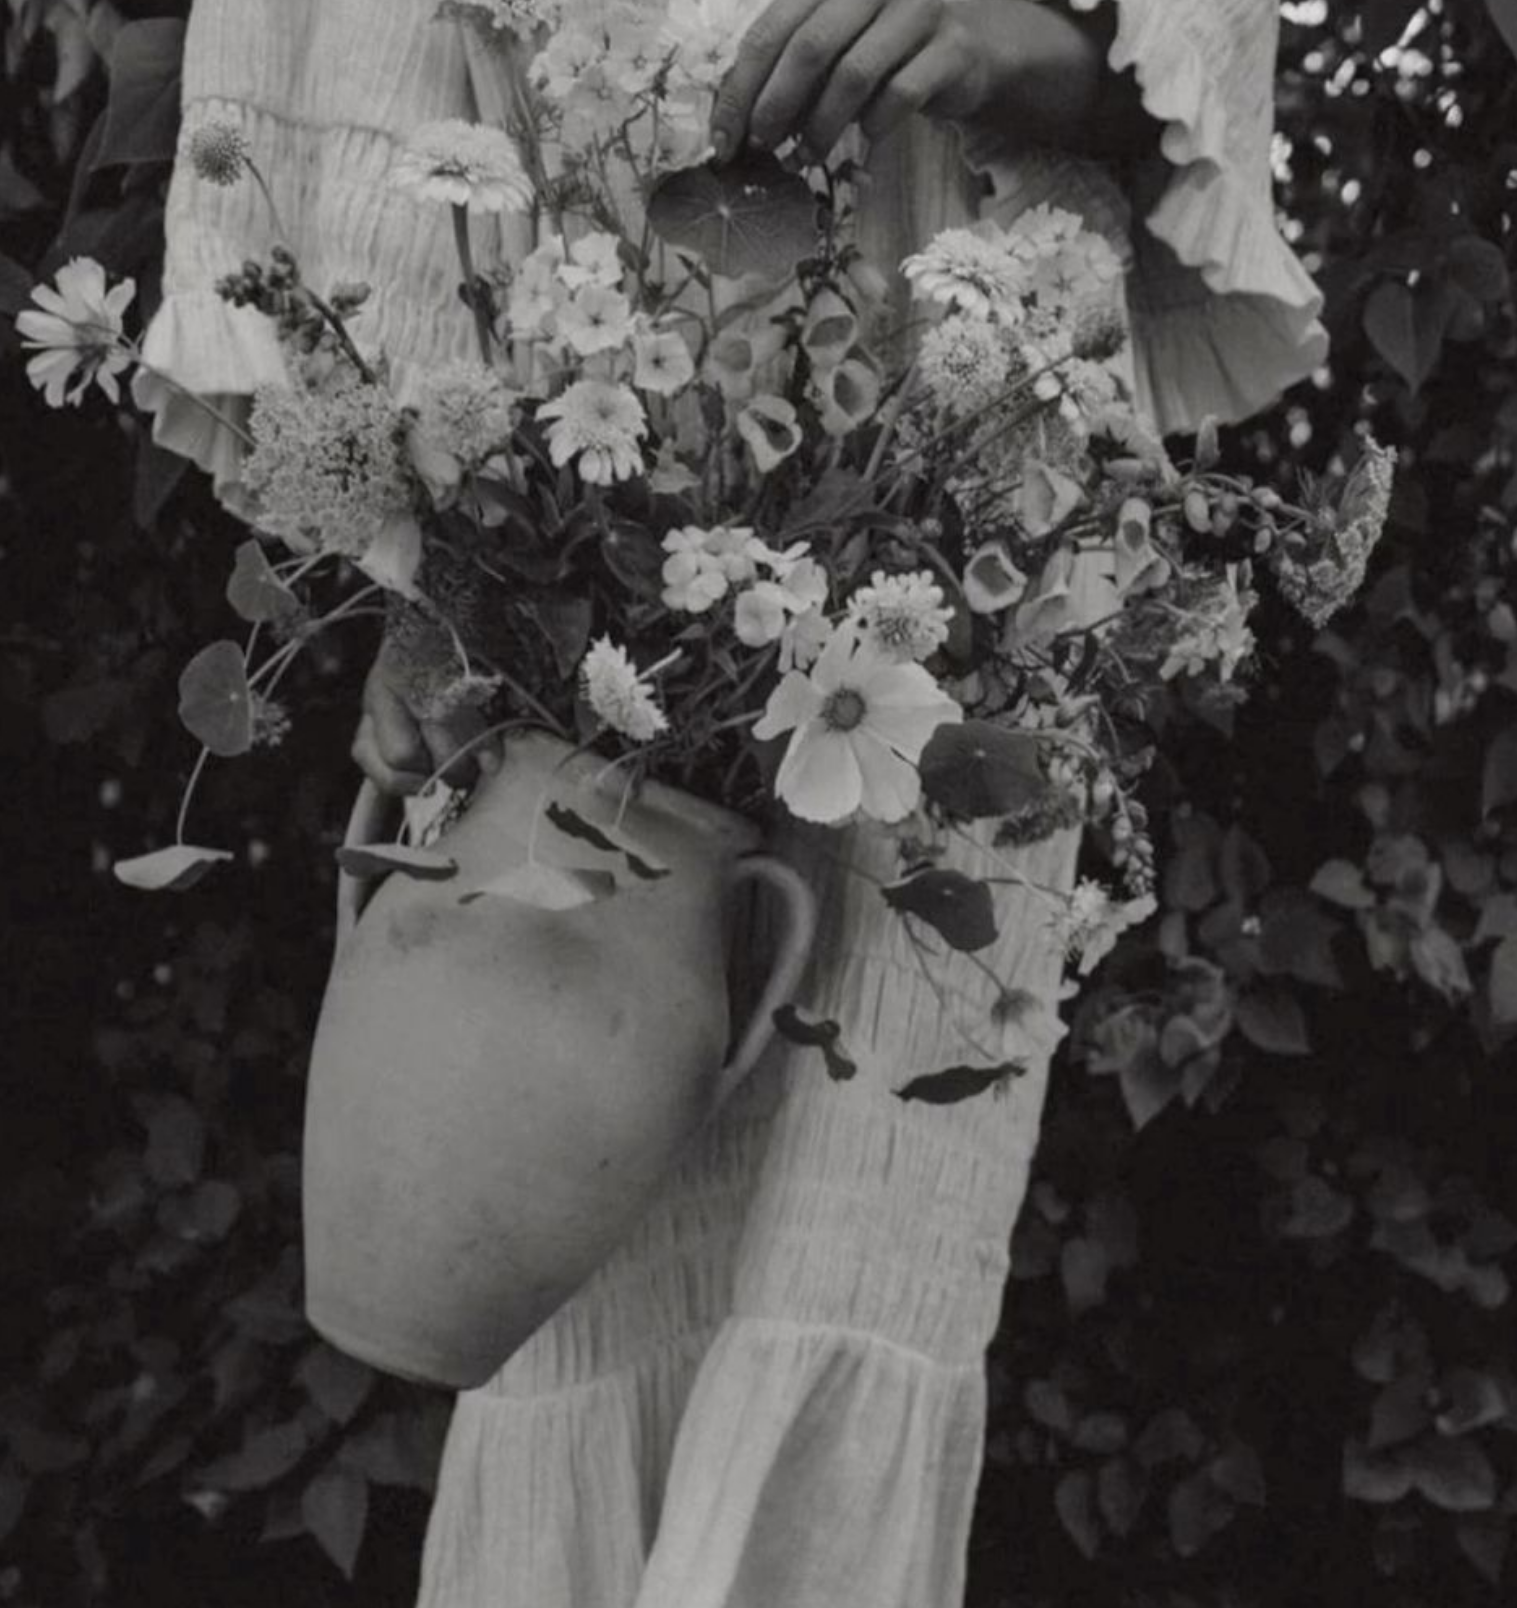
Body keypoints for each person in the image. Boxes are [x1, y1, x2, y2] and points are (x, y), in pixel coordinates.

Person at [143, 3, 1327, 1603]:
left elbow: (1169, 86)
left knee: (857, 1250)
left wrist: (1017, 47)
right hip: (567, 440)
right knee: (576, 1288)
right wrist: (432, 549)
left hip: (965, 419)